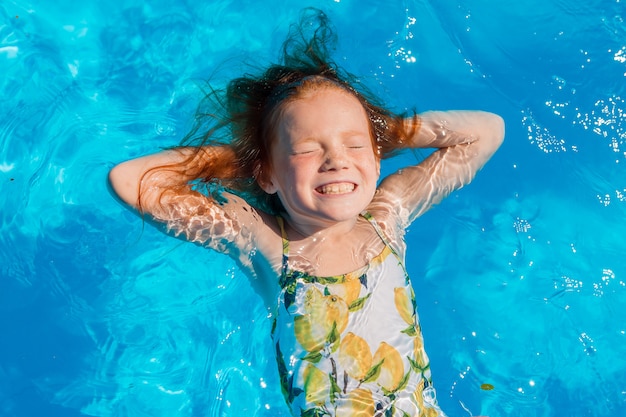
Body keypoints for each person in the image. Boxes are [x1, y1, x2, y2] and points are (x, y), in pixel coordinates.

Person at [108, 8, 504, 417]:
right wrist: (241, 163)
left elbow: (485, 133)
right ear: (268, 174)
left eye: (354, 144)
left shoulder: (387, 215)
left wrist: (389, 133)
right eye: (307, 149)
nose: (337, 160)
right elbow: (131, 181)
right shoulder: (263, 240)